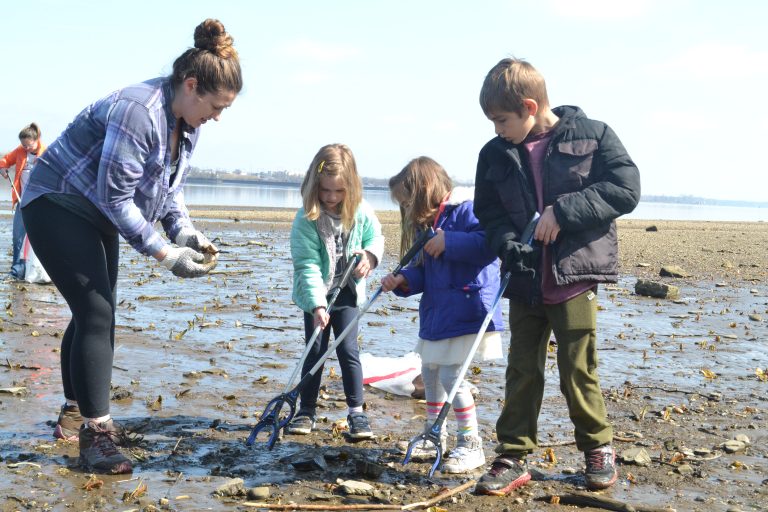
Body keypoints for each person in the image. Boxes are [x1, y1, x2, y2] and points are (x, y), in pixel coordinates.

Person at [20, 19, 242, 474]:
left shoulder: (189, 124)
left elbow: (167, 190)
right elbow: (115, 197)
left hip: (97, 212)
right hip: (56, 202)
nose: (218, 116)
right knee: (97, 313)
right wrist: (165, 254)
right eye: (217, 106)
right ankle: (96, 436)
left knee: (94, 314)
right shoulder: (139, 110)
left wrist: (184, 231)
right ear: (192, 85)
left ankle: (72, 412)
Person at [472, 58, 640, 494]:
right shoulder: (493, 154)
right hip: (525, 279)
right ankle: (512, 455)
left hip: (575, 277)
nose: (497, 130)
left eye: (502, 120)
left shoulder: (595, 135)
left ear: (530, 106)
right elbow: (489, 212)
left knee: (577, 368)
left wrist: (562, 213)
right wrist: (507, 243)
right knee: (521, 369)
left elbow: (625, 188)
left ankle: (598, 449)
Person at [381, 156, 503, 473]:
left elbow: (489, 244)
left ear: (423, 191)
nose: (406, 209)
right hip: (439, 313)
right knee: (431, 374)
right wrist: (405, 280)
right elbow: (427, 273)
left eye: (407, 201)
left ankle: (471, 443)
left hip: (469, 308)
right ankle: (434, 434)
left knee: (453, 376)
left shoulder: (466, 209)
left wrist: (449, 240)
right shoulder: (430, 225)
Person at [286, 143, 384, 440]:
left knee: (348, 350)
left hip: (349, 294)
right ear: (314, 186)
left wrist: (369, 256)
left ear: (351, 187)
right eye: (325, 191)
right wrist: (317, 306)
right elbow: (307, 266)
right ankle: (306, 410)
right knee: (315, 349)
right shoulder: (307, 219)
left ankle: (356, 412)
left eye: (338, 192)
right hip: (316, 294)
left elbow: (375, 237)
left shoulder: (362, 212)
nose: (330, 198)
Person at [0, 123, 46, 280]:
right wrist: (3, 168)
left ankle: (44, 271)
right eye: (23, 145)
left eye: (29, 145)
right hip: (22, 202)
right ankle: (17, 271)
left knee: (40, 237)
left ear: (36, 140)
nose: (26, 148)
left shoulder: (47, 153)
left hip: (42, 203)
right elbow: (5, 160)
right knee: (18, 236)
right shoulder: (20, 152)